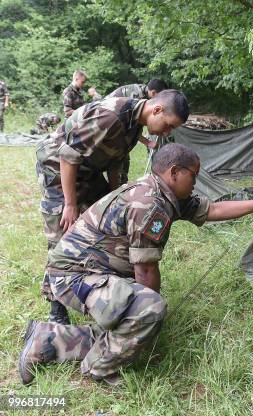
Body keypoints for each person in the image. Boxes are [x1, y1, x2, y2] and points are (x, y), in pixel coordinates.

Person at [19, 143, 253, 386]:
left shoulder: (163, 192)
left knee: (133, 318)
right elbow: (145, 270)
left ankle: (47, 338)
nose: (195, 182)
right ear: (174, 172)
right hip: (74, 276)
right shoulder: (149, 204)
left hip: (88, 270)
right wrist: (148, 318)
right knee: (148, 309)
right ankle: (98, 368)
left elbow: (212, 210)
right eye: (193, 175)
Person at [35, 89, 189, 326]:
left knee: (105, 222)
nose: (167, 132)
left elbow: (116, 159)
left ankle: (112, 291)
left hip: (89, 170)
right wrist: (70, 203)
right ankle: (56, 310)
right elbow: (67, 156)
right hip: (58, 170)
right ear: (157, 110)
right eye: (168, 125)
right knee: (62, 232)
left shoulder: (136, 122)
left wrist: (115, 193)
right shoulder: (109, 117)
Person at [106, 79, 169, 183]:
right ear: (153, 93)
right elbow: (129, 128)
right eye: (160, 98)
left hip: (117, 129)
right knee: (118, 166)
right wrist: (147, 142)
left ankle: (120, 186)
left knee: (123, 161)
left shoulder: (145, 94)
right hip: (109, 129)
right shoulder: (136, 98)